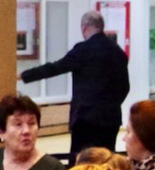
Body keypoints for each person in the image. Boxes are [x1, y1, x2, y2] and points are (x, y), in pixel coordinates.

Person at [18, 10, 130, 154]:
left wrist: (24, 75)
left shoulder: (83, 50)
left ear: (84, 27)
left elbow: (55, 68)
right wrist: (111, 105)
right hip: (110, 119)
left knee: (80, 159)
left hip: (85, 119)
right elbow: (125, 87)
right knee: (106, 158)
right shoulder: (118, 52)